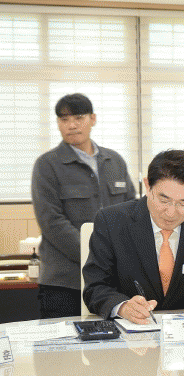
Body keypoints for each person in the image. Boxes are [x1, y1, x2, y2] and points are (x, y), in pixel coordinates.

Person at [82, 149, 184, 323]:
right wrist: (123, 307)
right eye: (164, 200)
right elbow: (95, 288)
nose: (171, 213)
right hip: (133, 331)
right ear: (148, 186)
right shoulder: (111, 222)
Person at [31, 93, 136, 318]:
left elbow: (131, 212)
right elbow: (52, 222)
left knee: (115, 339)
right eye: (64, 119)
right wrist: (97, 254)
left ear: (93, 119)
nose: (71, 125)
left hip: (112, 283)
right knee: (63, 340)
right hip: (64, 283)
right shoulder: (47, 165)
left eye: (78, 118)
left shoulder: (115, 161)